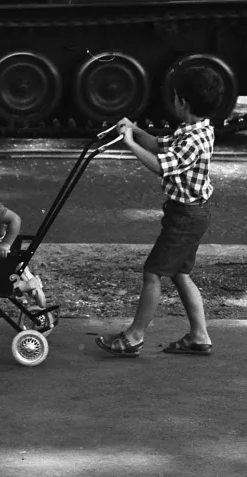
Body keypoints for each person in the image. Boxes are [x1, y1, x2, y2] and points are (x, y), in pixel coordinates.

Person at [95, 65, 223, 358]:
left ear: (182, 102)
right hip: (188, 213)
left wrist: (129, 143)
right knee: (180, 273)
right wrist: (135, 129)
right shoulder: (196, 130)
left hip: (186, 217)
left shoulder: (192, 140)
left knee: (152, 272)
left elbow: (161, 165)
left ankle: (134, 337)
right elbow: (158, 145)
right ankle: (199, 336)